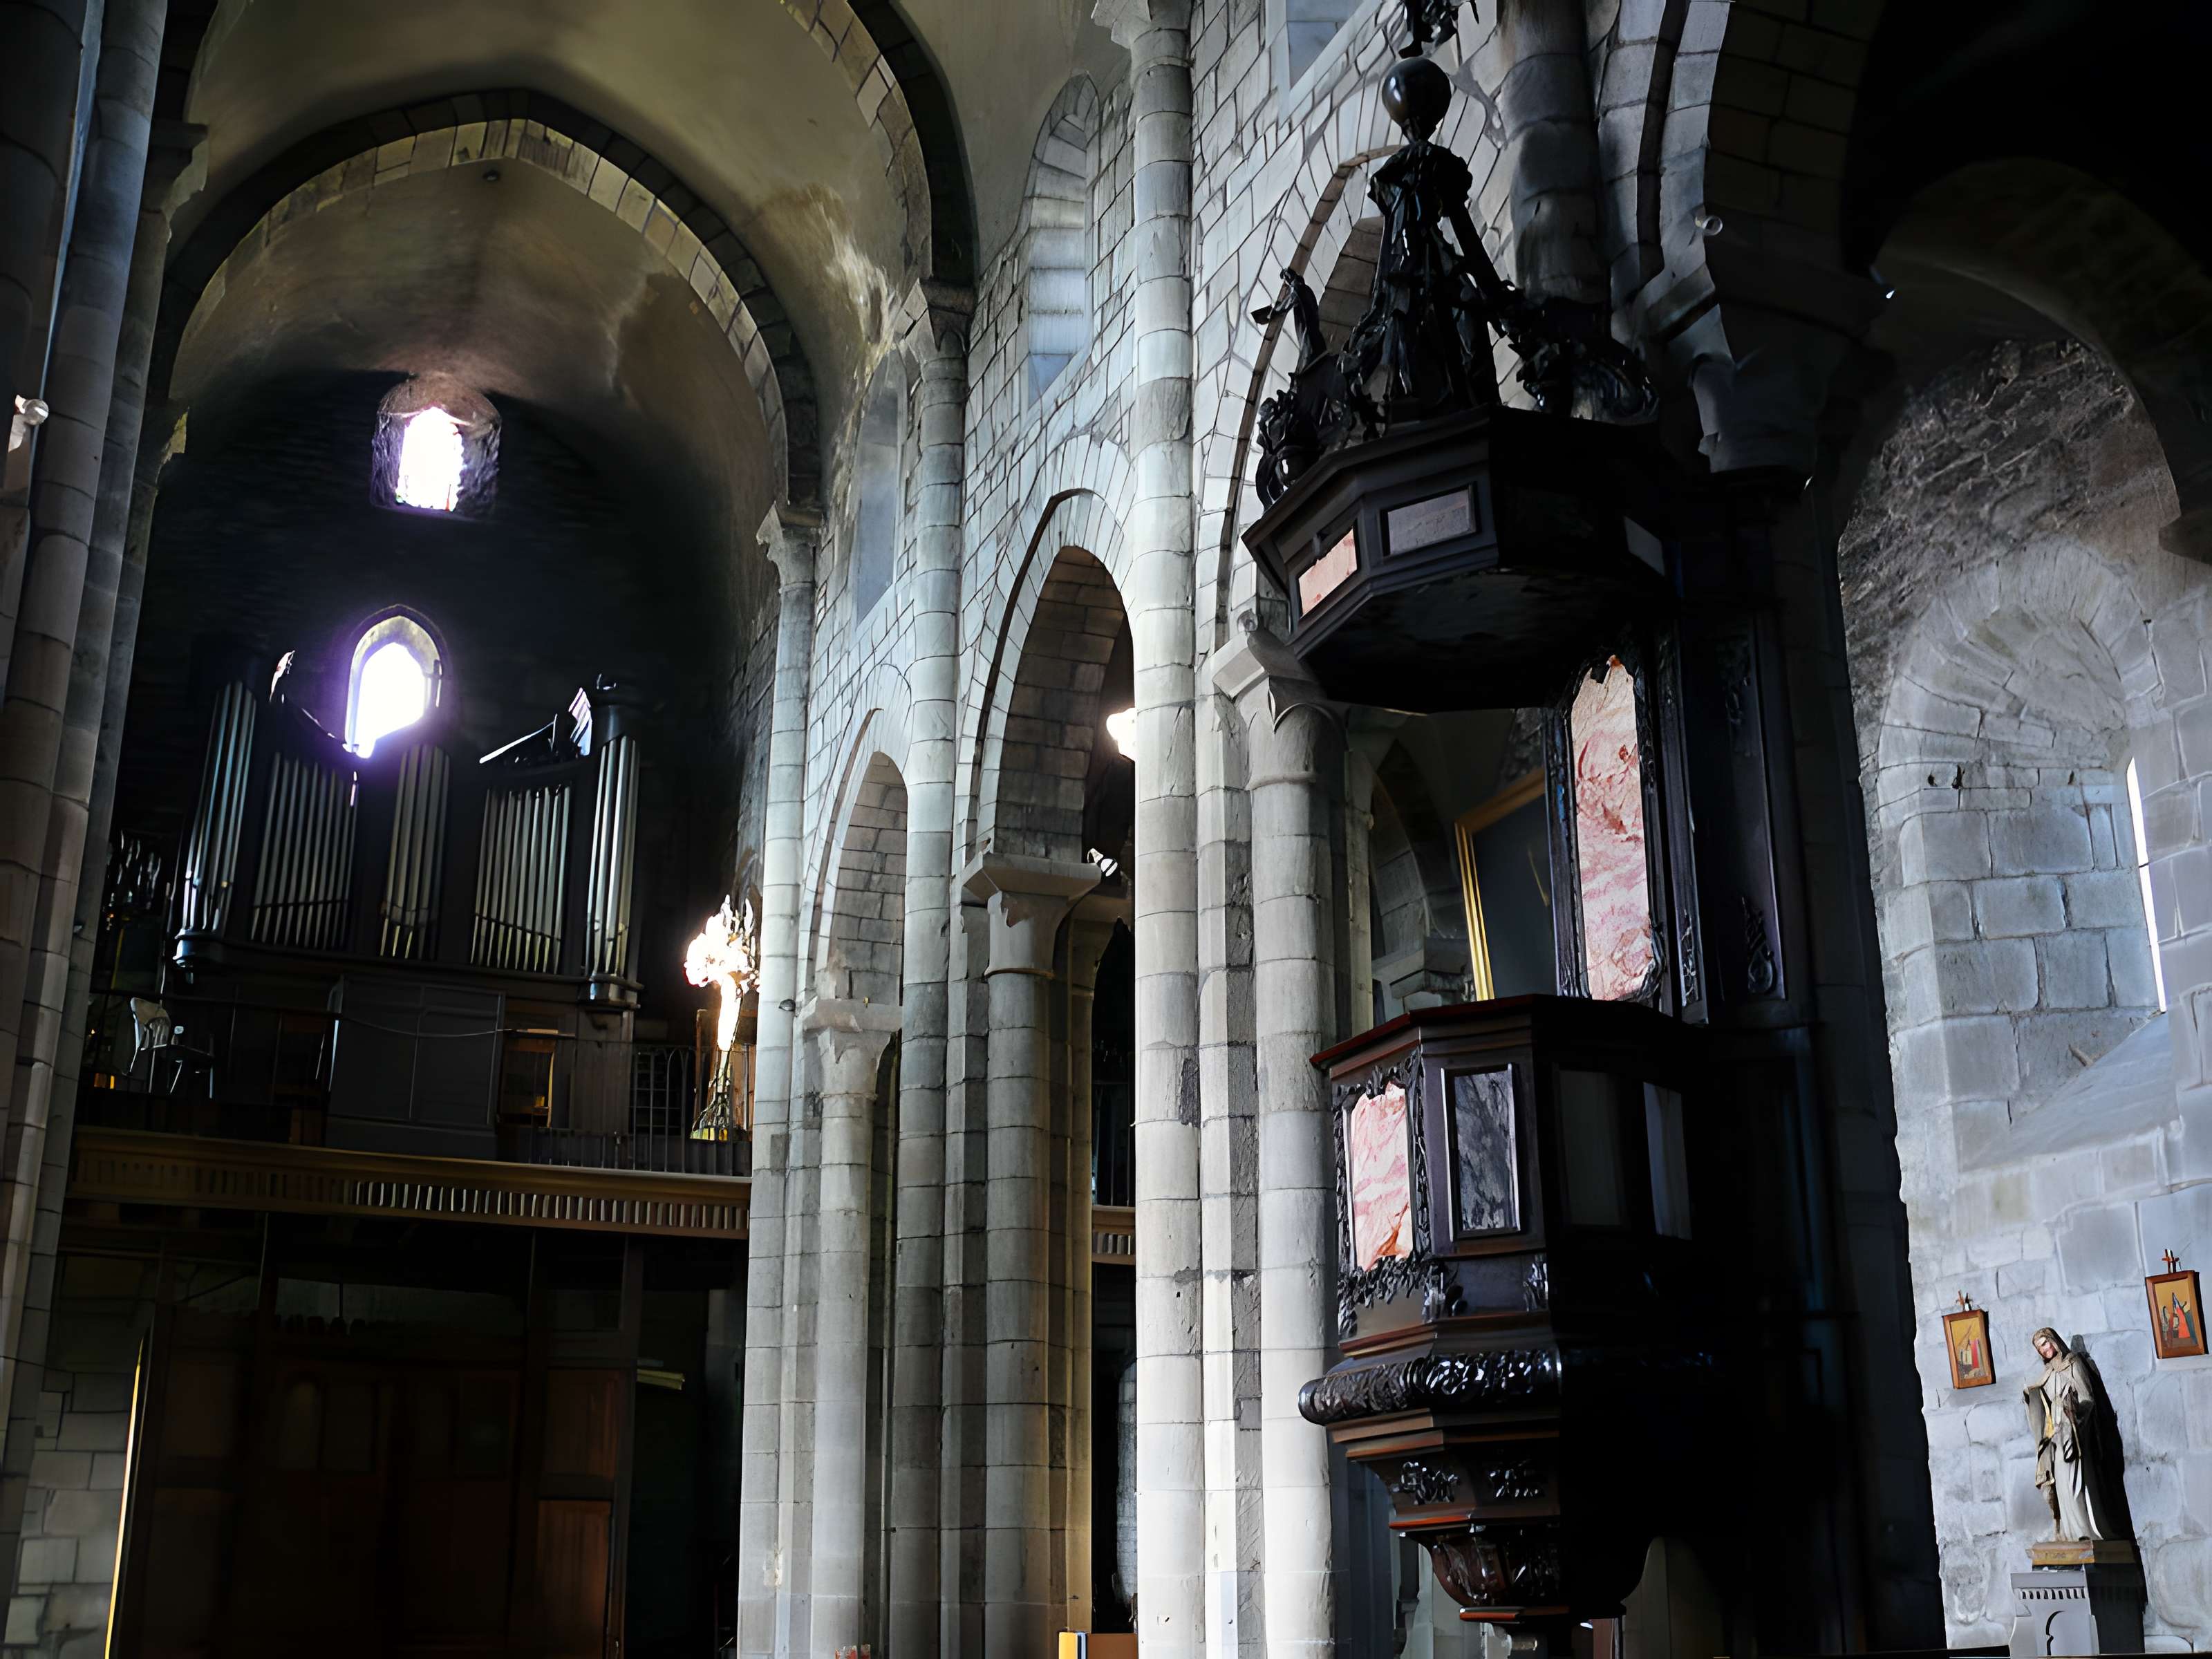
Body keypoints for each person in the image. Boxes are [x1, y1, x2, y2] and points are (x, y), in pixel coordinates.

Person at [2021, 1328, 2132, 1544]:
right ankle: (2069, 1532)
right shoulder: (2047, 1374)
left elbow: (2087, 1398)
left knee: (2076, 1482)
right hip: (2056, 1434)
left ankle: (2085, 1529)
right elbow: (2042, 1405)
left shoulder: (2074, 1364)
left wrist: (2074, 1420)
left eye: (2046, 1343)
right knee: (2060, 1482)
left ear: (2055, 1341)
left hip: (2074, 1432)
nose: (2045, 1349)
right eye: (2040, 1347)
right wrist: (2030, 1398)